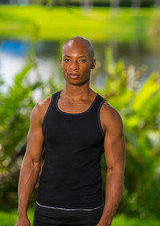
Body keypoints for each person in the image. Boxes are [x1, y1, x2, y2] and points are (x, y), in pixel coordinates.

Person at [15, 36, 125, 226]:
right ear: (61, 63)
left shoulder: (107, 115)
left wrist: (106, 220)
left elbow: (115, 170)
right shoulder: (42, 110)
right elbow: (32, 162)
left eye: (81, 60)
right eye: (68, 59)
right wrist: (21, 214)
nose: (74, 66)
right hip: (46, 211)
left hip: (89, 213)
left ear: (92, 64)